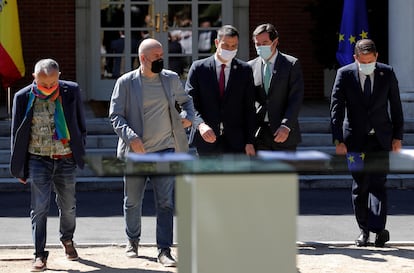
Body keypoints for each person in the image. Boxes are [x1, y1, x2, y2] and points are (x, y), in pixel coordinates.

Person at [108, 38, 195, 266]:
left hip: (166, 149)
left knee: (165, 202)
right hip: (137, 153)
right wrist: (131, 137)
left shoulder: (171, 78)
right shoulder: (126, 82)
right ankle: (132, 240)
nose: (160, 59)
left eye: (161, 55)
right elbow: (115, 115)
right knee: (133, 201)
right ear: (142, 59)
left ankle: (164, 250)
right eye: (156, 56)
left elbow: (187, 101)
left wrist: (188, 117)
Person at [10, 58, 87, 272]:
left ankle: (67, 239)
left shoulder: (71, 91)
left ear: (59, 75)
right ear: (34, 78)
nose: (49, 88)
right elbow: (17, 134)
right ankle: (39, 254)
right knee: (39, 208)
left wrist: (80, 146)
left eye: (53, 83)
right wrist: (19, 166)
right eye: (44, 84)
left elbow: (81, 124)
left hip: (66, 158)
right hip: (37, 159)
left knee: (69, 206)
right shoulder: (23, 97)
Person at [330, 39, 404, 247]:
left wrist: (397, 137)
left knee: (378, 183)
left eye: (370, 60)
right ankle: (364, 230)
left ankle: (378, 229)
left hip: (381, 139)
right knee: (360, 185)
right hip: (354, 140)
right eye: (362, 61)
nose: (367, 64)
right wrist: (338, 139)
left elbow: (396, 106)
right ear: (355, 58)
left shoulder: (386, 73)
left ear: (376, 57)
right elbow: (336, 108)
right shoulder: (344, 74)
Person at [185, 24, 256, 156]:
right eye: (226, 45)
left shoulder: (244, 70)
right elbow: (190, 103)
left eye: (234, 46)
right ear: (217, 43)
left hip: (236, 141)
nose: (230, 49)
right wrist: (200, 125)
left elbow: (249, 108)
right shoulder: (199, 68)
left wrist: (250, 141)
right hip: (206, 138)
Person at [248, 23, 304, 151]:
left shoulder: (291, 64)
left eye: (265, 43)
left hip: (284, 133)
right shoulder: (250, 67)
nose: (261, 47)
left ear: (275, 41)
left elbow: (295, 99)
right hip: (259, 134)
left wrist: (286, 126)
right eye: (258, 44)